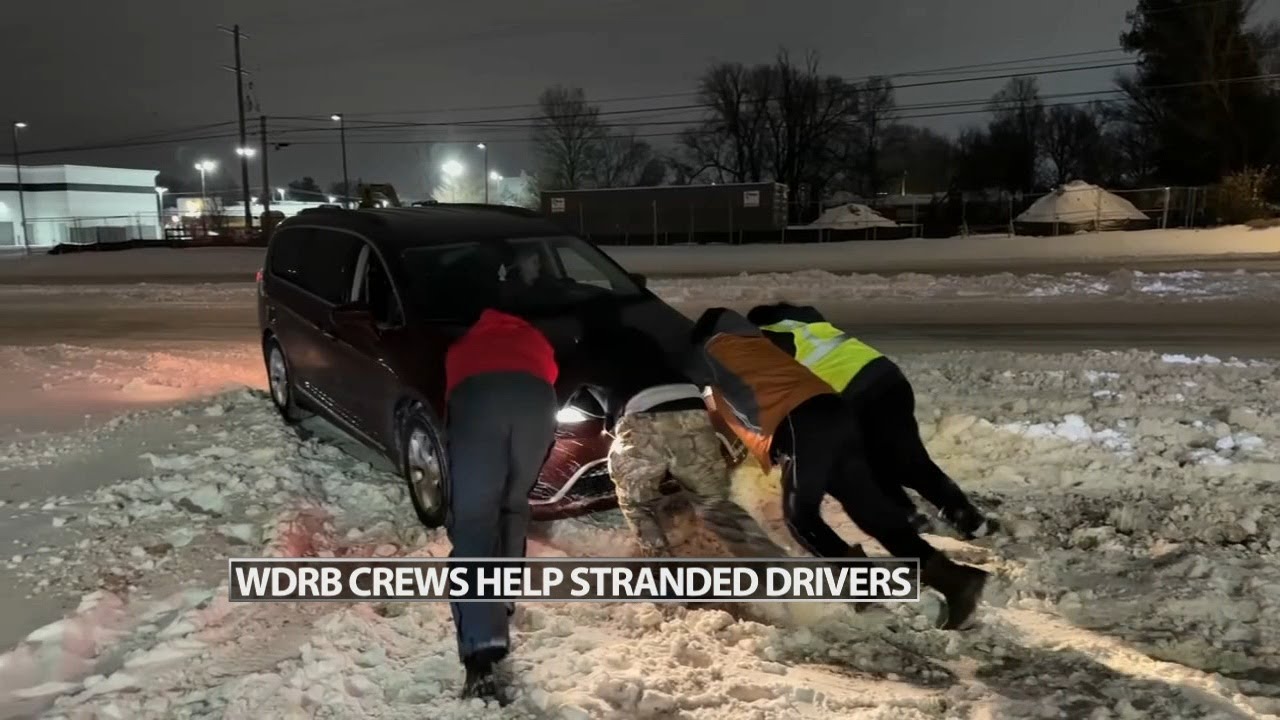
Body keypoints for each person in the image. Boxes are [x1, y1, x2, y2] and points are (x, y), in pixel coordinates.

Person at [686, 307, 988, 630]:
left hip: (799, 422)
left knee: (801, 518)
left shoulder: (711, 352)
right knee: (869, 511)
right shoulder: (759, 343)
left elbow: (705, 402)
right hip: (834, 411)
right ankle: (955, 580)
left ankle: (868, 598)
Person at [746, 302, 997, 540]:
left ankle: (960, 519)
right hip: (889, 382)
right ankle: (925, 517)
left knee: (894, 463)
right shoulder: (807, 323)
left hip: (857, 396)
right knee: (890, 460)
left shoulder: (770, 338)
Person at [578, 312, 787, 559]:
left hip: (644, 416)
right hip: (691, 406)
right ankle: (771, 565)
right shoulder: (644, 339)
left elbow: (571, 392)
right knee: (715, 501)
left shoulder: (587, 351)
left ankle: (665, 578)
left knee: (639, 505)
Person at [443, 307, 559, 701]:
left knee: (475, 519)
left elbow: (455, 400)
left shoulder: (463, 348)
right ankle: (504, 591)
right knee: (513, 501)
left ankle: (482, 652)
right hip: (538, 402)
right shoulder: (534, 339)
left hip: (479, 400)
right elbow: (548, 377)